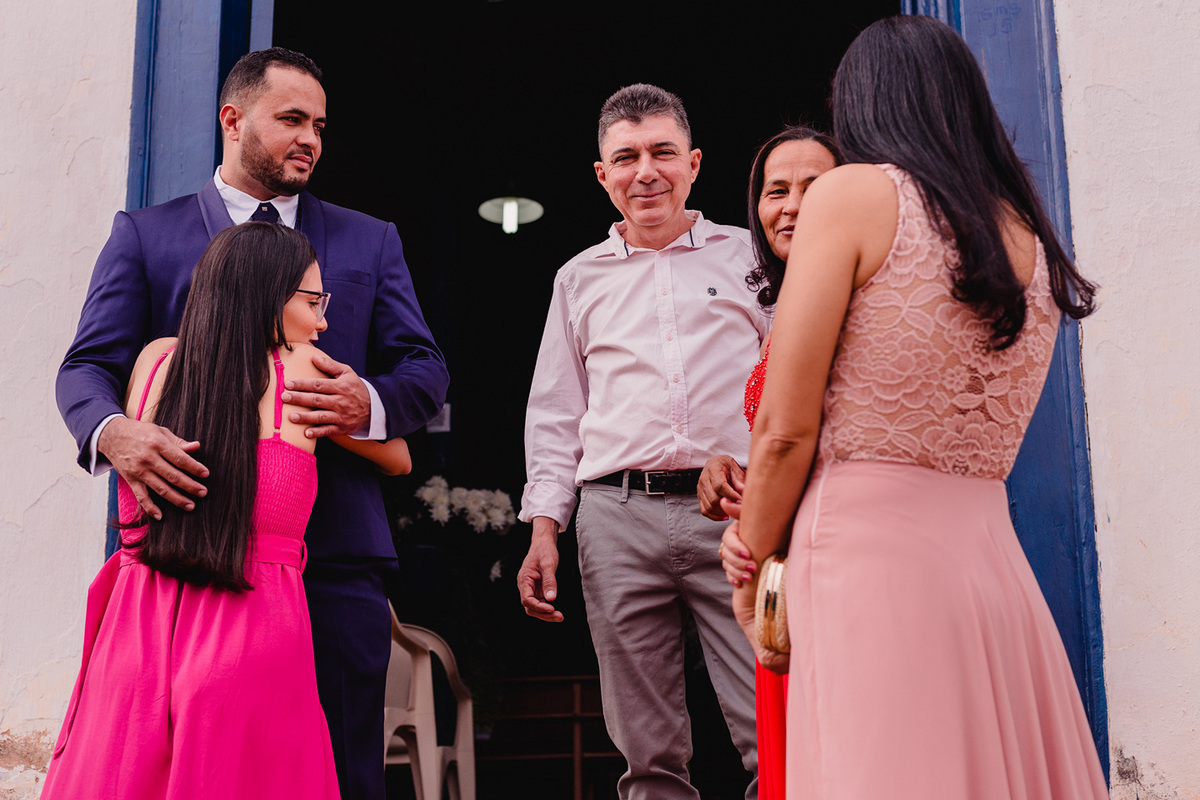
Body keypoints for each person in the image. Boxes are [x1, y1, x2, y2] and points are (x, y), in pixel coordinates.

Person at [725, 16, 1108, 799]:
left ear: (863, 105)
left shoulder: (852, 196)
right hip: (992, 564)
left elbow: (786, 429)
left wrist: (750, 558)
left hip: (868, 559)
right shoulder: (1025, 236)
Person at [55, 48, 448, 800]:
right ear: (232, 120)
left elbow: (425, 368)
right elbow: (87, 367)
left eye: (320, 126)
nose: (311, 139)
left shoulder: (370, 239)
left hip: (334, 558)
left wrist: (366, 402)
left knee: (342, 776)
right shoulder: (145, 235)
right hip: (184, 558)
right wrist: (115, 433)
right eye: (292, 119)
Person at [43, 222, 411, 798]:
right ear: (269, 295)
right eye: (313, 302)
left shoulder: (155, 361)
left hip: (137, 631)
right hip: (253, 628)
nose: (322, 321)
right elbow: (399, 460)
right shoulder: (303, 369)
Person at [517, 83, 766, 800]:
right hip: (616, 516)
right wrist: (544, 528)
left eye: (663, 153)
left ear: (694, 163)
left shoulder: (750, 258)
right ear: (603, 175)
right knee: (645, 750)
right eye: (626, 158)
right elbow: (556, 413)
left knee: (771, 721)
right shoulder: (578, 279)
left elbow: (792, 381)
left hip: (739, 511)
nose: (645, 172)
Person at [697, 125, 841, 800]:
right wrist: (740, 475)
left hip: (828, 558)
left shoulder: (851, 297)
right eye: (776, 190)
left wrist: (750, 536)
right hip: (785, 566)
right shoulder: (788, 307)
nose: (792, 205)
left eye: (814, 187)